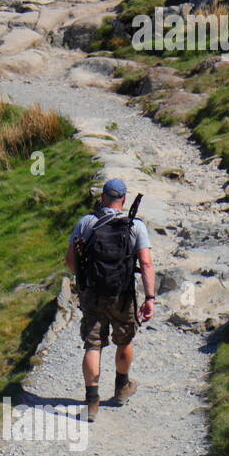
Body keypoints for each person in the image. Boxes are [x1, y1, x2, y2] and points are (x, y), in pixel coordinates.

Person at [64, 179, 157, 422]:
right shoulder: (135, 226)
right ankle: (121, 387)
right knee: (124, 339)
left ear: (103, 197)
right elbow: (146, 263)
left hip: (93, 294)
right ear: (123, 200)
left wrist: (84, 279)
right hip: (122, 294)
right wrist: (150, 298)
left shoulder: (86, 223)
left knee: (93, 344)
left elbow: (71, 261)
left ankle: (92, 401)